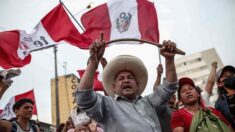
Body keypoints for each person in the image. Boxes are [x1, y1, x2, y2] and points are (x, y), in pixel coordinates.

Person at [76, 40, 178, 131]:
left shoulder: (149, 102)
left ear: (137, 85)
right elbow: (84, 98)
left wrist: (169, 59)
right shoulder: (108, 106)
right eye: (121, 78)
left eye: (130, 77)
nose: (126, 81)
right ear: (114, 87)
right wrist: (94, 61)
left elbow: (169, 87)